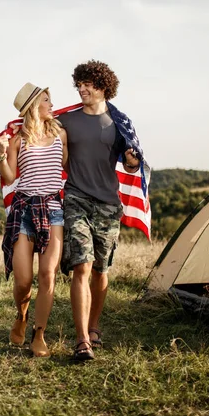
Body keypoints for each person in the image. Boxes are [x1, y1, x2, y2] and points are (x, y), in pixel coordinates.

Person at [58, 60, 145, 361]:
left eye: (88, 84)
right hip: (76, 197)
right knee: (81, 265)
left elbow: (130, 163)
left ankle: (94, 326)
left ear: (103, 87)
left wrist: (133, 159)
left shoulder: (119, 123)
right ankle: (82, 339)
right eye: (79, 84)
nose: (82, 89)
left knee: (100, 270)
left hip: (108, 203)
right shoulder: (66, 121)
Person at [0, 83, 68, 358]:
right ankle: (21, 315)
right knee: (24, 279)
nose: (52, 105)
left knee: (47, 274)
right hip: (24, 209)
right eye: (47, 101)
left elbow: (67, 165)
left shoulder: (60, 133)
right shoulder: (18, 140)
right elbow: (10, 176)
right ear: (33, 107)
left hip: (53, 210)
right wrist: (1, 154)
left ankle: (39, 335)